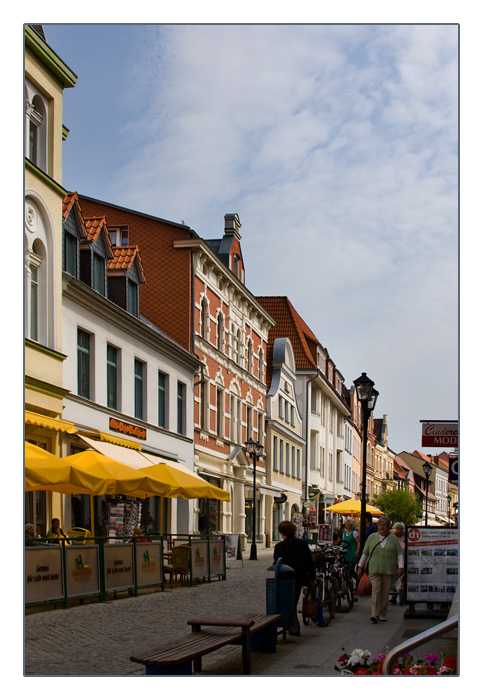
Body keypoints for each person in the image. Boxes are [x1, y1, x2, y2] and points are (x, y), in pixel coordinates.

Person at [357, 515, 404, 623]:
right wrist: (360, 567)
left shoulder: (393, 539)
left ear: (388, 527)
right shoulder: (372, 538)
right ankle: (374, 614)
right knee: (376, 590)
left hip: (388, 569)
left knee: (385, 592)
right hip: (374, 568)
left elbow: (399, 553)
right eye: (380, 525)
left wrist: (400, 566)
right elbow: (365, 553)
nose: (382, 527)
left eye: (384, 525)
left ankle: (382, 613)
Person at [273, 520, 316, 636]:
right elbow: (309, 561)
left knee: (289, 602)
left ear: (282, 532)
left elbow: (277, 563)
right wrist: (312, 577)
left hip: (286, 579)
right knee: (293, 600)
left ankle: (293, 626)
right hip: (301, 577)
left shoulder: (280, 546)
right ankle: (292, 625)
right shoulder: (302, 543)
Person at [389, 522, 405, 604]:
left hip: (404, 561)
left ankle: (402, 596)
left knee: (401, 580)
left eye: (400, 529)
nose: (399, 531)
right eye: (397, 529)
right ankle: (393, 596)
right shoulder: (391, 538)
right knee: (394, 579)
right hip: (393, 561)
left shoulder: (405, 538)